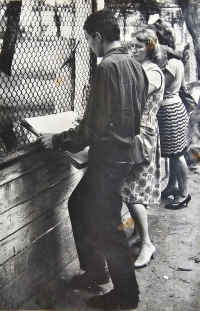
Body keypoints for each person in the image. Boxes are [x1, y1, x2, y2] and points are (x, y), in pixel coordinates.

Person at [38, 9, 148, 310]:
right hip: (123, 155)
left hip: (109, 160)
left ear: (98, 37)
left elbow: (92, 126)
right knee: (80, 204)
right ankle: (95, 270)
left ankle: (126, 295)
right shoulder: (134, 65)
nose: (89, 45)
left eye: (88, 39)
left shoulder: (106, 68)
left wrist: (58, 139)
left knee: (109, 226)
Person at [121, 29, 164, 268]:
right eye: (131, 46)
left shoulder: (153, 72)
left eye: (137, 47)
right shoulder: (141, 69)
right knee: (134, 187)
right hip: (137, 132)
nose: (132, 51)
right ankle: (138, 235)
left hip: (143, 134)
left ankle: (147, 243)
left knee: (131, 188)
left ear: (149, 47)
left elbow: (134, 98)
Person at [157, 54, 191, 209]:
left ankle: (183, 194)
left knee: (177, 155)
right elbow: (183, 86)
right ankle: (172, 186)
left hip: (170, 110)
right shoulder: (177, 62)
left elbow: (160, 87)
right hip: (176, 107)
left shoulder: (170, 64)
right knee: (174, 153)